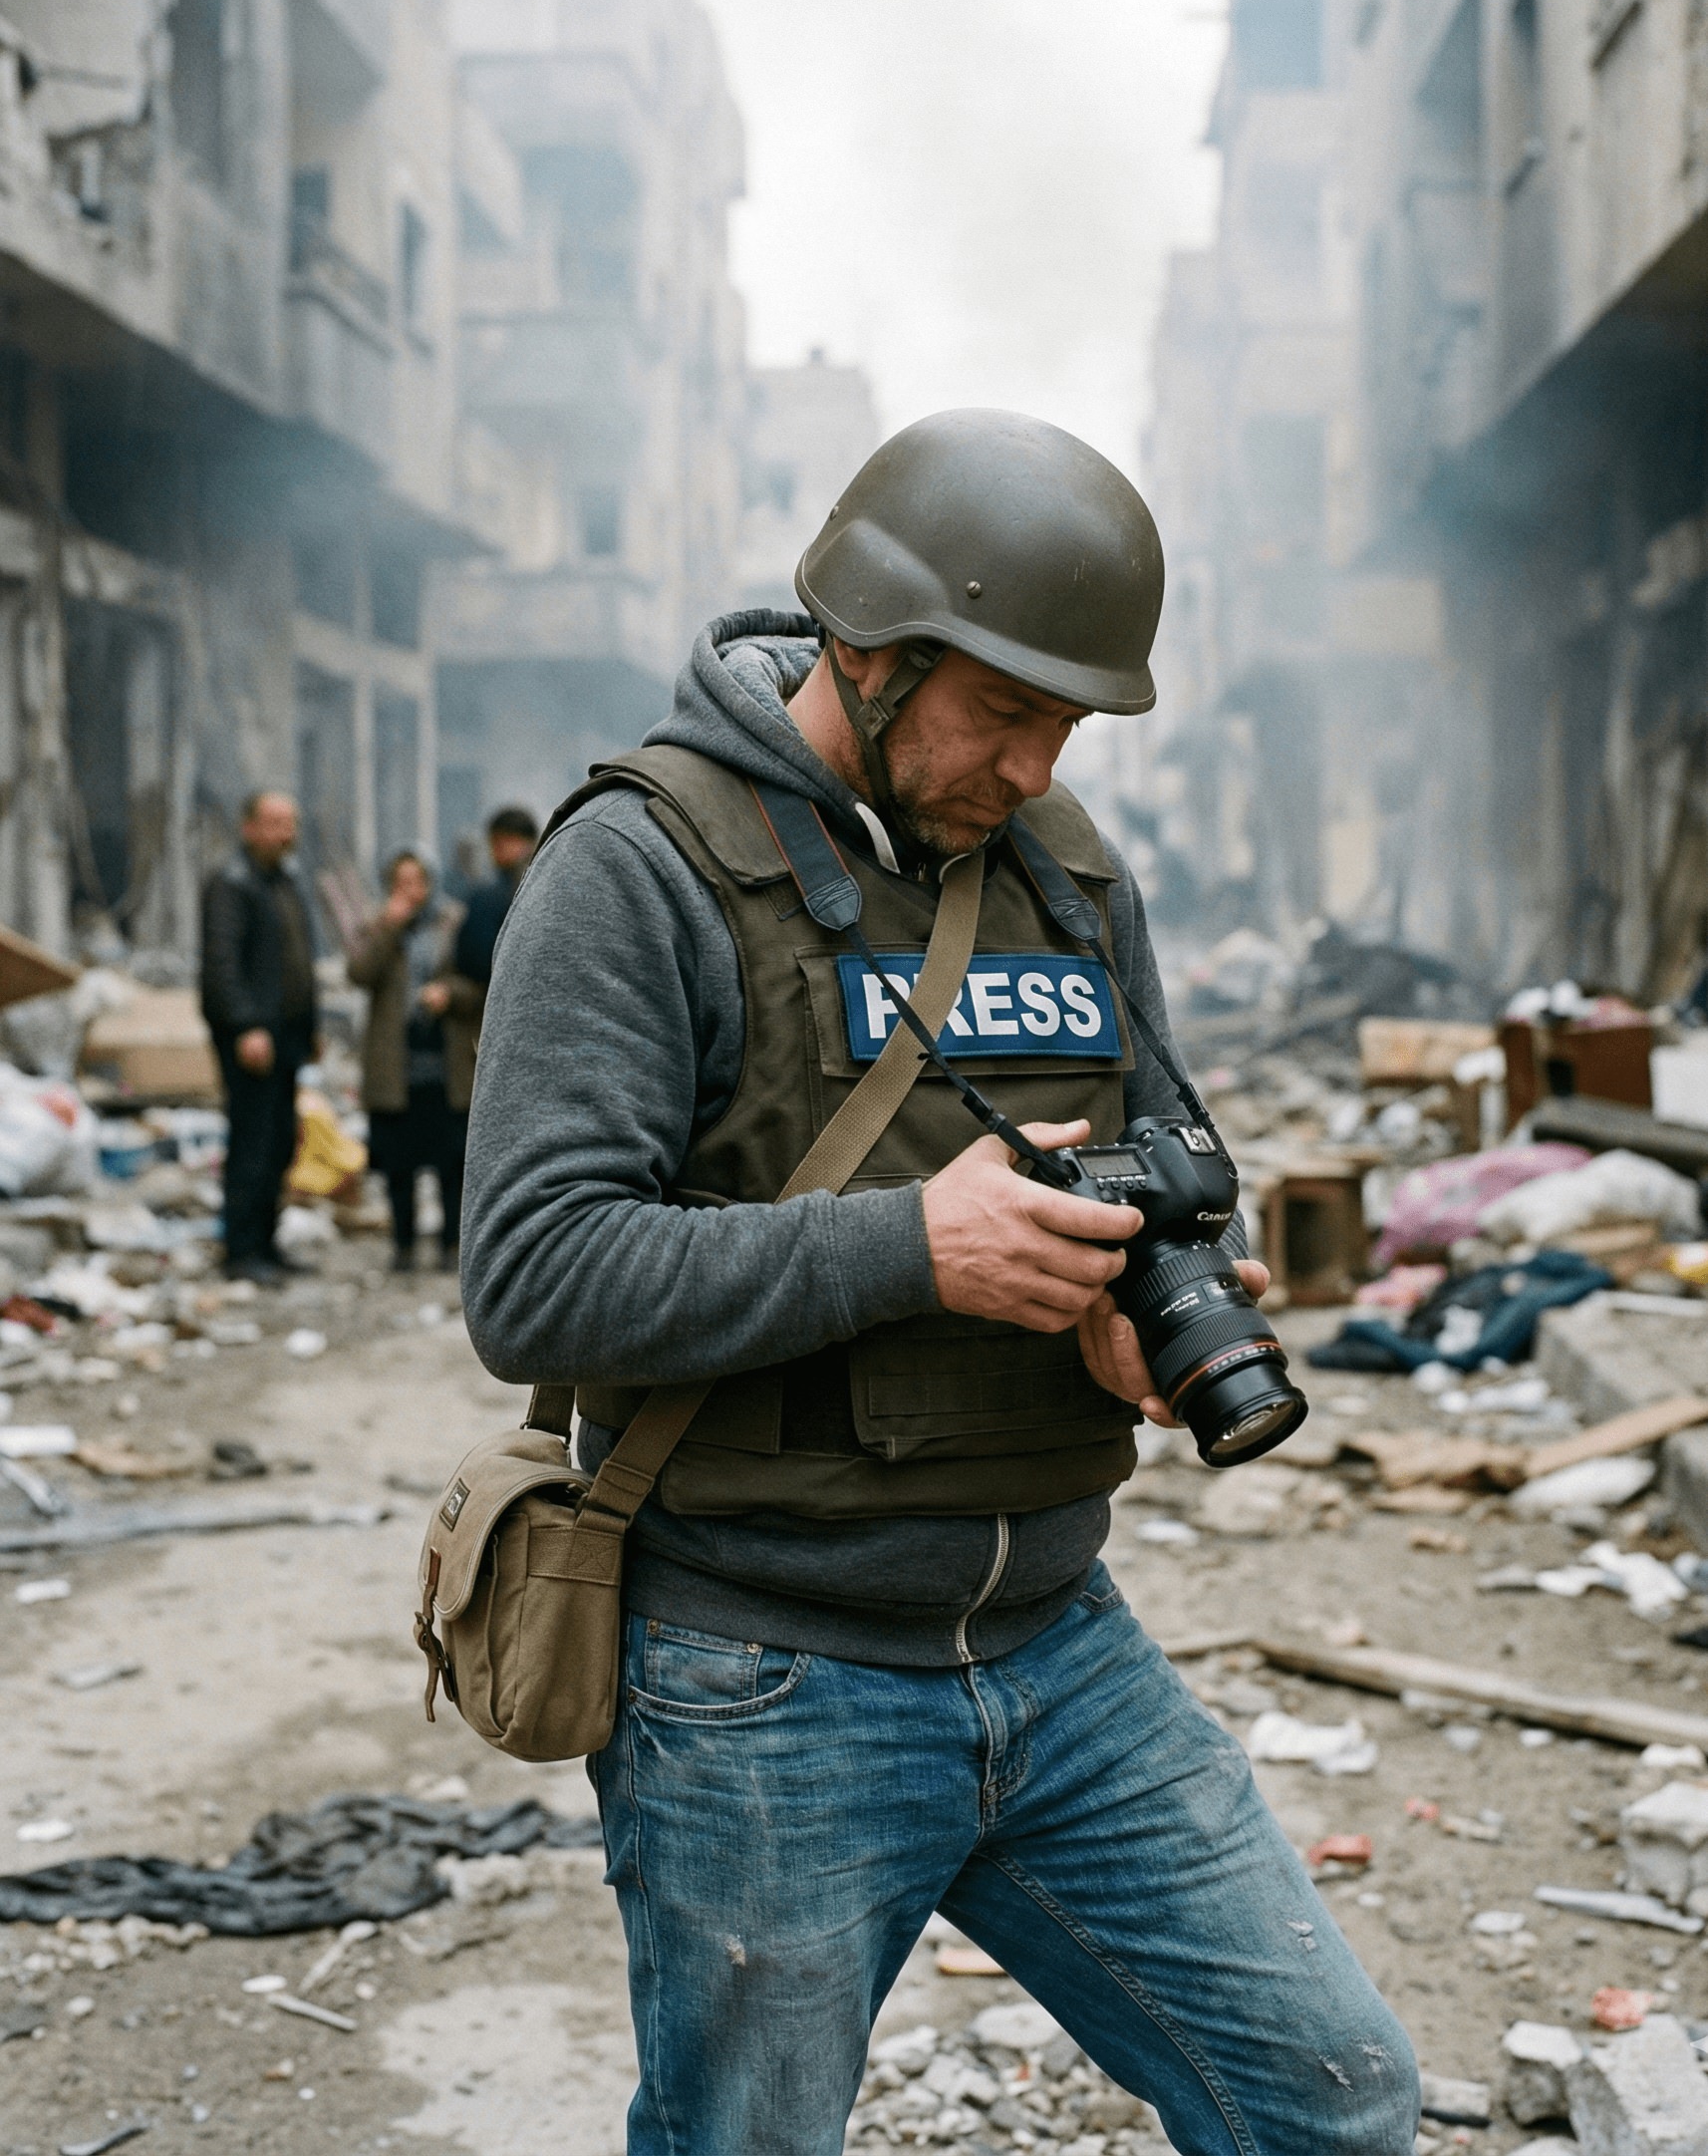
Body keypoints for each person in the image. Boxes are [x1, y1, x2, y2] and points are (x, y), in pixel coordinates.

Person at [462, 411, 1420, 2155]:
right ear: (875, 654)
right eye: (1007, 711)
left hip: (1059, 1650)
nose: (1041, 761)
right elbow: (532, 1274)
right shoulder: (635, 867)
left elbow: (1158, 1150)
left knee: (1331, 2096)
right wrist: (917, 1245)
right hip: (761, 1673)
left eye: (1070, 721)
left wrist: (1138, 1308)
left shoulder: (1065, 871)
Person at [200, 790, 319, 1286]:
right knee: (251, 1140)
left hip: (286, 1035)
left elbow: (296, 961)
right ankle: (241, 1251)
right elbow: (222, 965)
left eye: (289, 822)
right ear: (248, 827)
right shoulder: (231, 883)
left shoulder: (286, 881)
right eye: (273, 823)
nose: (284, 832)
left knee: (278, 1143)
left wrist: (309, 1027)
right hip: (251, 1038)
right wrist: (246, 1025)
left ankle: (266, 1244)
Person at [348, 848, 480, 1273]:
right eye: (401, 882)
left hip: (446, 1065)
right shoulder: (379, 923)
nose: (410, 891)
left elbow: (481, 981)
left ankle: (449, 1245)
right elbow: (359, 973)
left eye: (417, 881)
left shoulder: (454, 923)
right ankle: (403, 1245)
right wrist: (390, 926)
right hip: (396, 1067)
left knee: (450, 1162)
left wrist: (449, 993)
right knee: (398, 1164)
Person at [451, 804, 538, 996]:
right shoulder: (540, 882)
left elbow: (473, 958)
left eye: (501, 841)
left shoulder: (492, 895)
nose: (495, 849)